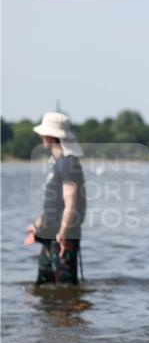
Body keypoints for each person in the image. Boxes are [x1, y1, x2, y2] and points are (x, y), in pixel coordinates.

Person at [25, 112, 87, 285]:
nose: (40, 137)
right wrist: (37, 225)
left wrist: (63, 233)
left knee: (66, 287)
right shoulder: (57, 162)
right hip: (48, 234)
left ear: (51, 136)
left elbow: (71, 203)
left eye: (43, 133)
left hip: (62, 237)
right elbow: (53, 202)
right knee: (43, 285)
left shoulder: (68, 163)